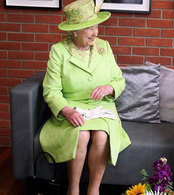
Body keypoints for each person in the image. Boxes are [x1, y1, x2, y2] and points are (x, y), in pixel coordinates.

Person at [39, 0, 131, 194]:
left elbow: (119, 80)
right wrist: (66, 110)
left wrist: (109, 88)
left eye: (96, 26)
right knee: (80, 134)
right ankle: (73, 189)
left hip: (101, 106)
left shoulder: (104, 47)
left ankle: (93, 190)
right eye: (89, 28)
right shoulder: (59, 51)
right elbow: (51, 90)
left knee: (101, 136)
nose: (95, 33)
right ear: (75, 30)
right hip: (72, 106)